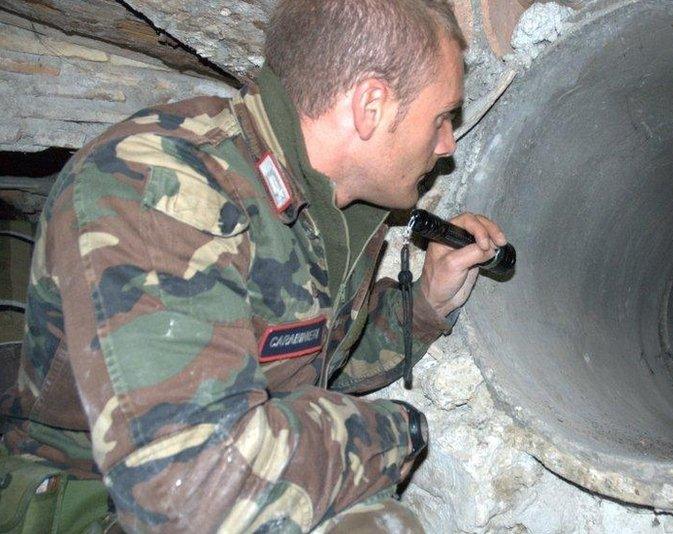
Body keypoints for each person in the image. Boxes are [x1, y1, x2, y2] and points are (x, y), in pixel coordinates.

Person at [0, 0, 507, 531]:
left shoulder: (331, 206)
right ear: (370, 106)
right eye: (442, 117)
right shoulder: (158, 189)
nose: (447, 144)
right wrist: (396, 434)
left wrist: (425, 303)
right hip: (83, 501)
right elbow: (195, 494)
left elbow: (300, 356)